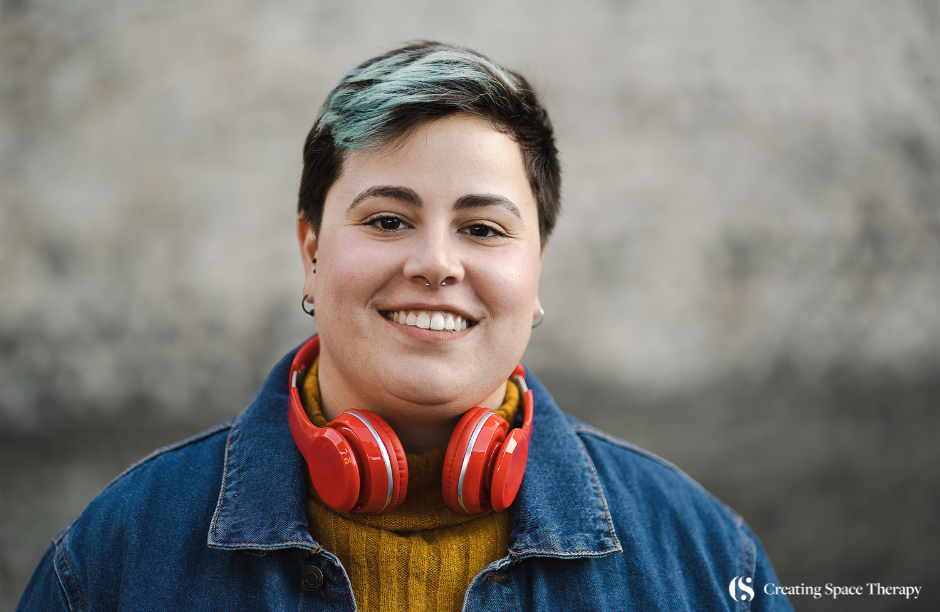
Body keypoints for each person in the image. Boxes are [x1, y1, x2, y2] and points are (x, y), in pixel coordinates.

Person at [18, 42, 793, 611]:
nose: (435, 264)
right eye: (388, 219)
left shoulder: (706, 561)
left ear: (537, 271)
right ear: (312, 251)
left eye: (483, 229)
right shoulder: (115, 558)